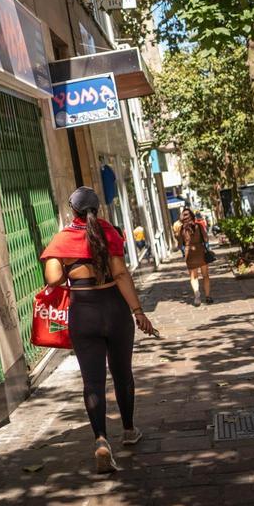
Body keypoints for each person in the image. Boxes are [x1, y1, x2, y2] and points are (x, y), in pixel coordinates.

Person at [42, 187, 157, 473]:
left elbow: (54, 278)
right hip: (114, 309)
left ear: (73, 211)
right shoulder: (109, 233)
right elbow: (120, 273)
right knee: (122, 374)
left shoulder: (63, 238)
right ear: (98, 209)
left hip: (84, 313)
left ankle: (101, 441)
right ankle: (129, 430)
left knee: (92, 382)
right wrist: (138, 312)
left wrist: (65, 262)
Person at [180, 208, 212, 305]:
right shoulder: (199, 226)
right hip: (200, 251)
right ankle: (208, 296)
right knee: (205, 275)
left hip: (189, 253)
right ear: (193, 216)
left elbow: (180, 243)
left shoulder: (182, 229)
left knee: (193, 277)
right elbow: (206, 238)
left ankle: (197, 295)